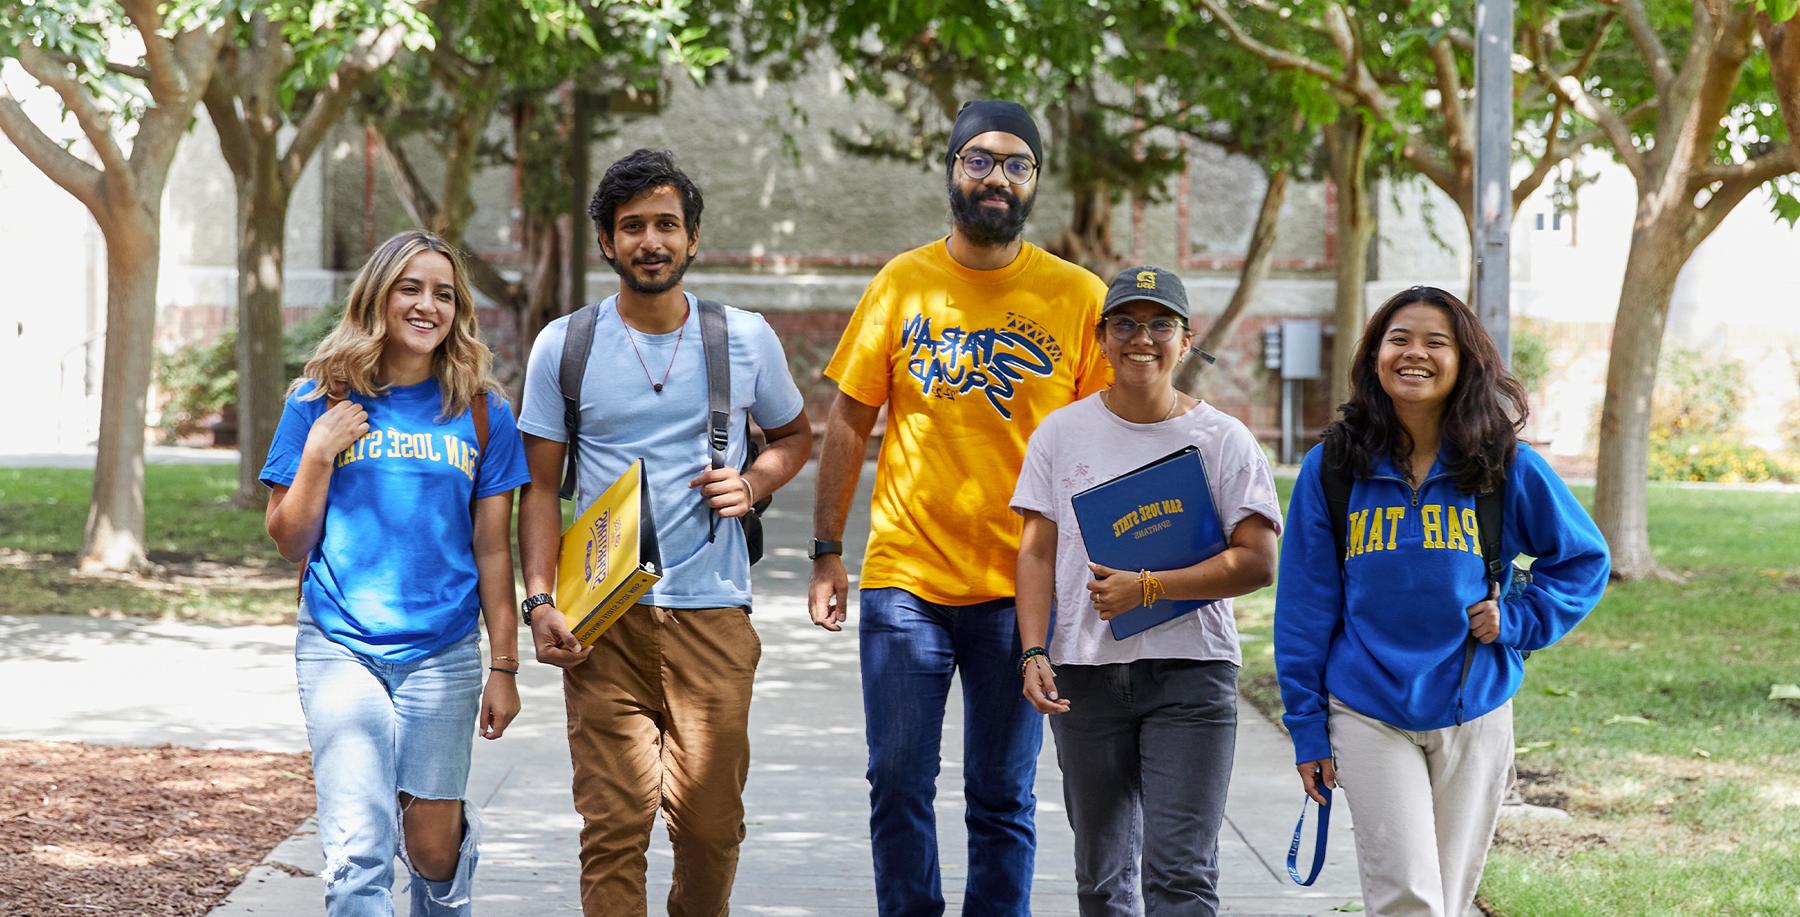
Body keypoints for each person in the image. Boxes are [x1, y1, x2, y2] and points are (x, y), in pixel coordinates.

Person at [808, 99, 1110, 917]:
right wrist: (827, 548)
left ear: (1035, 181)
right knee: (897, 780)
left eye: (1017, 163)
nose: (997, 177)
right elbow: (848, 418)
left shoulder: (1078, 297)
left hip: (1023, 590)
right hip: (906, 581)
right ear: (951, 171)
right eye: (979, 160)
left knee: (1003, 792)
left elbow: (1107, 445)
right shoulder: (903, 283)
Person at [514, 148, 812, 917]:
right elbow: (540, 486)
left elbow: (794, 437)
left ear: (693, 237)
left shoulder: (743, 337)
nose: (651, 240)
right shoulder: (565, 345)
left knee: (711, 831)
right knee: (612, 829)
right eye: (632, 226)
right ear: (608, 243)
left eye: (666, 225)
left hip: (712, 613)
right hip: (602, 617)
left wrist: (753, 481)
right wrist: (540, 599)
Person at [1274, 286, 1610, 917]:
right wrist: (1306, 728)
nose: (1415, 354)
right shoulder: (1333, 468)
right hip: (1367, 705)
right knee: (1408, 895)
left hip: (1473, 704)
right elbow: (1303, 609)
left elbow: (1583, 559)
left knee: (1449, 900)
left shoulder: (1504, 464)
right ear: (1375, 354)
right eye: (1398, 339)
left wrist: (1519, 619)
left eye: (1436, 341)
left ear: (1464, 360)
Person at [261, 229, 531, 915]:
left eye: (442, 293)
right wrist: (319, 452)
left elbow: (494, 548)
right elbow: (290, 540)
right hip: (340, 644)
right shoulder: (318, 399)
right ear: (377, 296)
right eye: (410, 287)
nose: (426, 304)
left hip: (442, 651)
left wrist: (505, 664)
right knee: (358, 847)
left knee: (431, 847)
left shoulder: (481, 409)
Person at [1011, 266, 1281, 916]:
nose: (1143, 337)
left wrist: (1151, 587)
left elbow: (1258, 561)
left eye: (1160, 323)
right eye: (1126, 323)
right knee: (1102, 882)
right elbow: (1036, 550)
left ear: (1185, 340)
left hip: (1192, 673)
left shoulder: (1223, 439)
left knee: (1181, 877)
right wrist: (1032, 650)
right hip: (1087, 674)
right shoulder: (1060, 433)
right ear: (1102, 337)